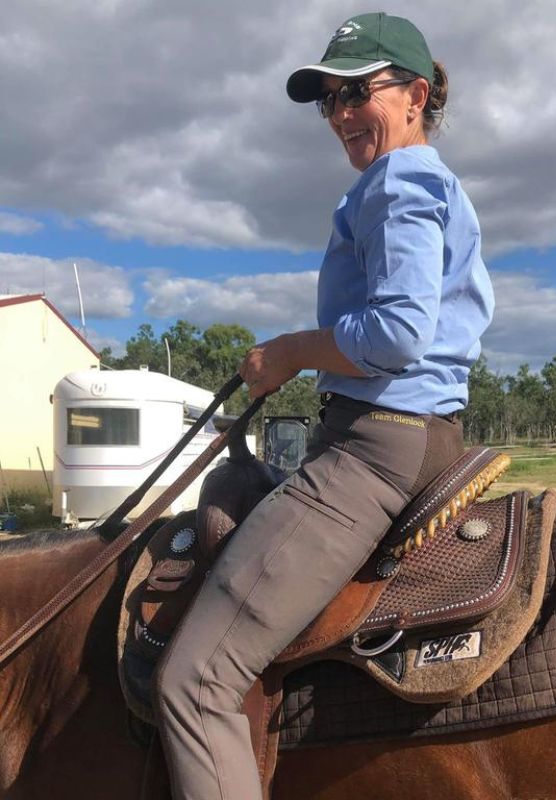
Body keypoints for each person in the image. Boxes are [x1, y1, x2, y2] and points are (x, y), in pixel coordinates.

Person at [154, 12, 494, 799]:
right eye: (328, 101)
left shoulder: (399, 179)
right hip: (414, 434)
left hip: (374, 447)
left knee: (196, 681)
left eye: (357, 93)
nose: (341, 115)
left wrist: (288, 353)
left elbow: (400, 332)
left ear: (415, 95)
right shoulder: (432, 184)